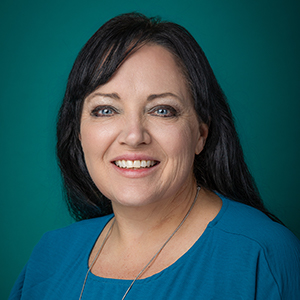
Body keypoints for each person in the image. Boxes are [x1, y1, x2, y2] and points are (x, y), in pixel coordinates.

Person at [9, 12, 300, 300]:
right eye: (106, 110)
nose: (134, 136)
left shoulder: (264, 255)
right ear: (78, 132)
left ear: (201, 133)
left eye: (162, 110)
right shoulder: (49, 257)